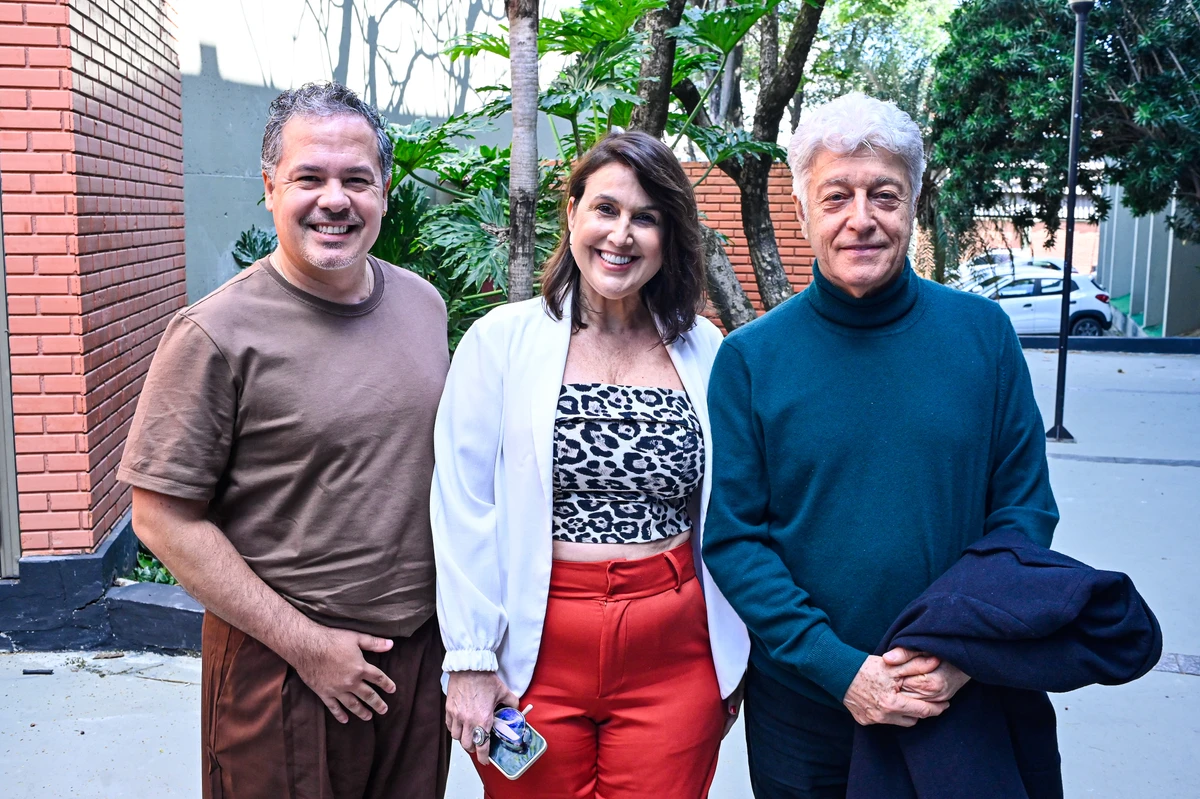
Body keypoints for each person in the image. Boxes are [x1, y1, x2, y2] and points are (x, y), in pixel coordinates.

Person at [702, 92, 1060, 799]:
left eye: (884, 195)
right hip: (808, 712)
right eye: (836, 196)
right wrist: (842, 669)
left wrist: (962, 651)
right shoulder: (750, 359)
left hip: (963, 695)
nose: (860, 218)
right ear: (803, 211)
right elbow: (737, 542)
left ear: (915, 203)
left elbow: (1023, 515)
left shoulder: (982, 336)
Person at [118, 82, 451, 799]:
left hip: (415, 663)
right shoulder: (215, 333)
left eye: (356, 179)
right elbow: (161, 517)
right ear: (270, 187)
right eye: (310, 177)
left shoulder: (423, 305)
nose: (335, 198)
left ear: (384, 191)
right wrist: (309, 646)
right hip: (283, 671)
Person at [432, 131, 749, 799]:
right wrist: (468, 658)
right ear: (572, 213)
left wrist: (734, 655)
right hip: (532, 655)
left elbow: (733, 505)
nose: (622, 234)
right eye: (605, 209)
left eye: (646, 217)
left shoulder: (707, 351)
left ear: (670, 235)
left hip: (673, 652)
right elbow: (463, 506)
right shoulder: (500, 342)